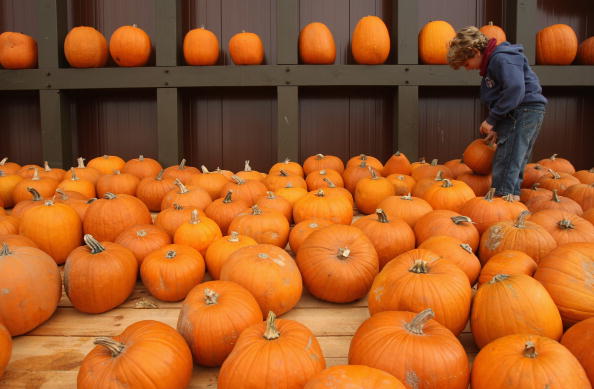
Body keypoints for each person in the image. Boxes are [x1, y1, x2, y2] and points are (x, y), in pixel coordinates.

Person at [447, 26, 547, 199]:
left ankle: (503, 199)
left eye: (466, 64)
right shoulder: (495, 62)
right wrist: (498, 125)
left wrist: (492, 119)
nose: (467, 68)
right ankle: (511, 199)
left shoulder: (501, 59)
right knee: (515, 158)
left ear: (474, 51)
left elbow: (514, 90)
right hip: (522, 111)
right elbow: (504, 95)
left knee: (507, 158)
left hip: (524, 110)